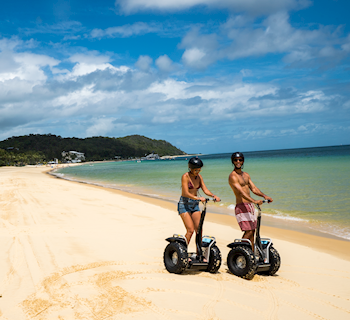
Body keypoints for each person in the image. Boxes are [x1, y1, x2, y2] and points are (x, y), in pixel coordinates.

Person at [228, 152, 273, 252]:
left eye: (240, 159)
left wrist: (264, 196)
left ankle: (251, 253)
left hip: (250, 206)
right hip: (241, 206)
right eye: (236, 160)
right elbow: (241, 192)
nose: (238, 162)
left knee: (253, 231)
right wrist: (254, 201)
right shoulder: (233, 176)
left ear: (243, 161)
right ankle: (238, 251)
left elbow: (253, 188)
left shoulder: (246, 175)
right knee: (248, 231)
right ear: (233, 161)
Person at [178, 157, 221, 251]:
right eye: (196, 170)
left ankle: (199, 253)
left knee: (199, 230)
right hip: (184, 204)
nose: (198, 171)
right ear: (190, 168)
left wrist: (214, 196)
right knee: (190, 230)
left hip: (194, 205)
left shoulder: (199, 177)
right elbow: (185, 193)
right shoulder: (185, 176)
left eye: (199, 169)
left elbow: (205, 190)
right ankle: (183, 251)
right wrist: (198, 198)